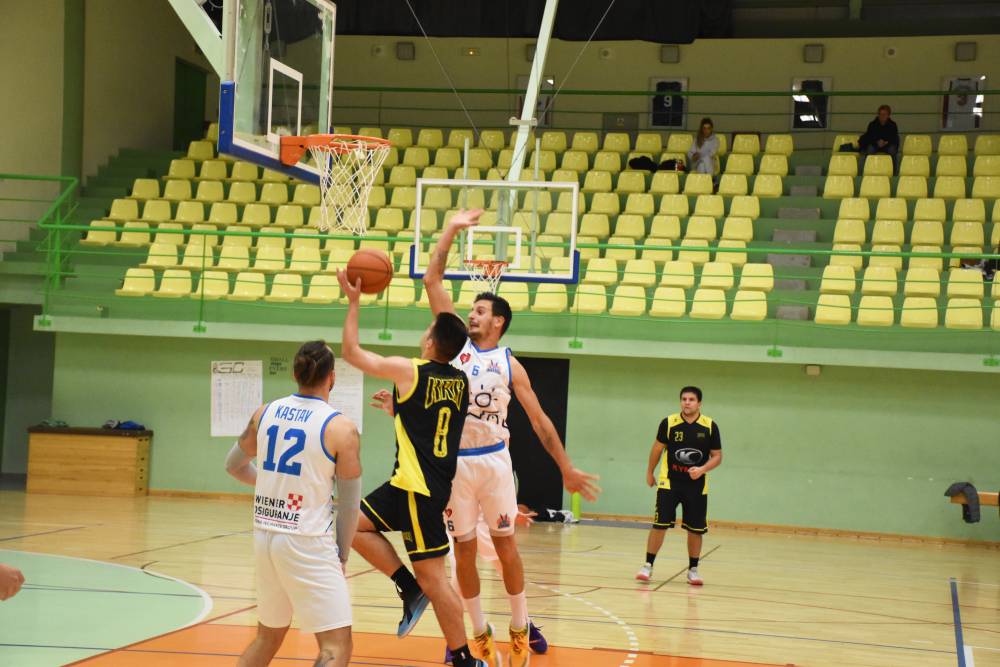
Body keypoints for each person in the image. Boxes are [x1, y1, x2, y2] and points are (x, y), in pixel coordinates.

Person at [381, 209, 600, 667]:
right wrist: (451, 229)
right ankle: (478, 633)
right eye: (471, 311)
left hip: (496, 461)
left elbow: (540, 421)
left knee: (505, 546)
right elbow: (432, 279)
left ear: (498, 321)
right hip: (454, 466)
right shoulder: (455, 347)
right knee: (463, 551)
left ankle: (520, 625)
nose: (472, 315)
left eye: (480, 311)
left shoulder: (508, 363)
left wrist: (566, 468)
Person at [336, 268, 486, 667]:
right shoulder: (460, 382)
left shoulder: (411, 371)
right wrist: (400, 410)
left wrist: (354, 303)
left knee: (434, 578)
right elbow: (436, 423)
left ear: (432, 341)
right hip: (410, 484)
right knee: (350, 524)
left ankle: (464, 658)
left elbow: (352, 353)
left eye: (428, 330)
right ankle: (407, 586)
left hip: (419, 490)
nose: (424, 333)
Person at [224, 340, 362, 667]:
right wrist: (342, 555)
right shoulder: (341, 428)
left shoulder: (265, 412)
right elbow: (349, 504)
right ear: (332, 377)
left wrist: (276, 484)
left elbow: (233, 466)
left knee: (267, 638)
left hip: (265, 537)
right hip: (307, 540)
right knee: (336, 645)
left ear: (295, 373)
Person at [636, 386, 722, 586]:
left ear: (699, 403)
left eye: (691, 399)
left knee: (696, 529)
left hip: (697, 486)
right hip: (669, 483)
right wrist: (649, 472)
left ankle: (693, 570)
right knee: (659, 525)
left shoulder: (710, 426)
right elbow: (657, 449)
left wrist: (702, 469)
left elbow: (717, 456)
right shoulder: (669, 423)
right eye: (684, 399)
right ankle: (647, 566)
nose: (687, 402)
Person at [859, 105, 899, 174]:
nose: (882, 116)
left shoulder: (893, 125)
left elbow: (894, 137)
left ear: (888, 115)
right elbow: (869, 136)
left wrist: (886, 142)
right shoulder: (872, 124)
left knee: (892, 150)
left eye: (884, 114)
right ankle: (865, 171)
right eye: (880, 114)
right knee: (869, 150)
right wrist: (877, 142)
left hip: (887, 145)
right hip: (875, 145)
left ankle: (894, 173)